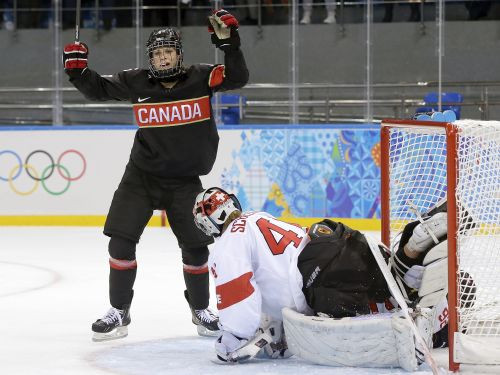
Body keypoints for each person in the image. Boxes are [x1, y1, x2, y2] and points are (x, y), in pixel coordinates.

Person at [62, 9, 249, 341]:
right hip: (141, 178)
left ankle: (200, 309)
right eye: (156, 54)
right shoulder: (136, 81)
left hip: (184, 180)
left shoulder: (201, 77)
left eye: (168, 52)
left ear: (179, 54)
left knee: (196, 249)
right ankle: (119, 311)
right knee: (120, 243)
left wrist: (229, 44)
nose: (162, 58)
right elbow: (98, 90)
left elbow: (237, 77)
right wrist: (78, 72)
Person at [192, 187, 452, 366]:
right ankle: (412, 248)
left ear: (206, 224)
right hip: (335, 240)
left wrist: (233, 339)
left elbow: (239, 293)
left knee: (395, 312)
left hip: (322, 279)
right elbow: (273, 277)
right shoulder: (258, 217)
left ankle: (435, 322)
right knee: (394, 282)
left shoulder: (227, 243)